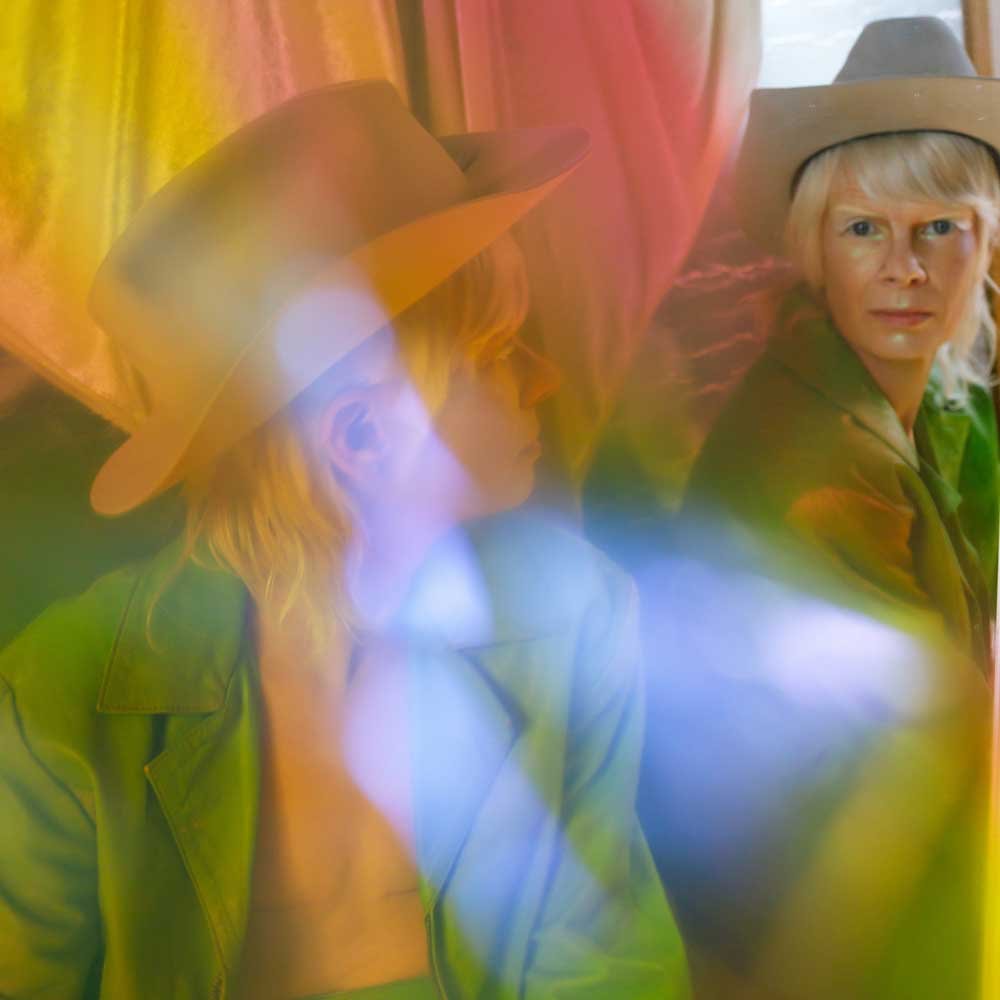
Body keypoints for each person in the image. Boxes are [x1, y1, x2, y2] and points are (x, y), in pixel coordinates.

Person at [0, 80, 688, 998]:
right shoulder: (63, 692)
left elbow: (603, 958)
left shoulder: (574, 613)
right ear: (363, 436)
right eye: (497, 352)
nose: (545, 377)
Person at [592, 17, 997, 999]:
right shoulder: (812, 461)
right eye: (864, 229)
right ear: (814, 243)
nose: (904, 267)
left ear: (986, 244)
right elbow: (925, 778)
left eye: (938, 227)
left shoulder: (942, 405)